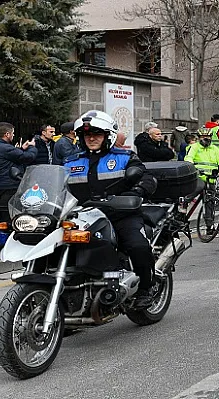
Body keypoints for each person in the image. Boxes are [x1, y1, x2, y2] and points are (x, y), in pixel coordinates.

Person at [64, 110, 158, 308]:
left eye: (97, 134)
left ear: (108, 136)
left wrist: (136, 193)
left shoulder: (124, 157)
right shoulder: (70, 162)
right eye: (87, 135)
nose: (91, 138)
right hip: (81, 218)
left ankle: (146, 288)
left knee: (137, 246)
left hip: (120, 215)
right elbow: (56, 185)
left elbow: (146, 178)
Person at [0, 122, 37, 251]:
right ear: (7, 134)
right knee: (7, 217)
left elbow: (9, 158)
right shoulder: (5, 148)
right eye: (12, 133)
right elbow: (27, 158)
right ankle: (5, 246)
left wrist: (20, 149)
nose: (13, 136)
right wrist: (32, 147)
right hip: (8, 186)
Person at [184, 128, 219, 222]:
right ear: (199, 138)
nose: (205, 138)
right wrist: (193, 169)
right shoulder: (194, 147)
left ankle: (209, 227)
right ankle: (183, 204)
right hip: (198, 177)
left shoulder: (214, 148)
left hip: (211, 178)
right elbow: (189, 158)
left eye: (207, 136)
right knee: (195, 190)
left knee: (210, 202)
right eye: (202, 137)